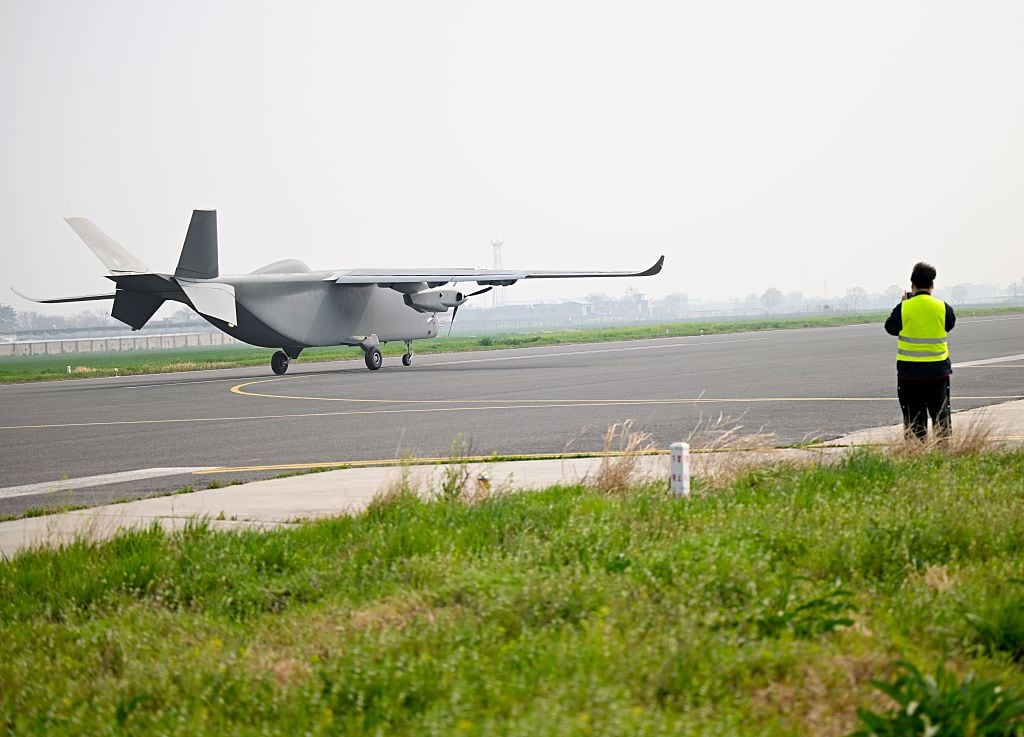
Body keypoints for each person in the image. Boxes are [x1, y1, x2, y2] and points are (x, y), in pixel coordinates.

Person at [884, 262, 956, 441]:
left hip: (910, 374)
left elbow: (891, 328)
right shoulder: (942, 307)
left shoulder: (904, 308)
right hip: (938, 373)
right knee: (941, 419)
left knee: (914, 420)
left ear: (912, 285)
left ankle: (916, 456)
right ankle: (943, 455)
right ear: (932, 285)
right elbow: (949, 325)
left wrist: (904, 305)